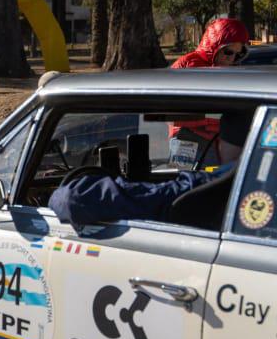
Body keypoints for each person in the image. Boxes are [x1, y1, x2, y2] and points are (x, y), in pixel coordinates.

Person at [49, 108, 252, 228]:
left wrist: (58, 195)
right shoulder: (258, 183)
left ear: (220, 144)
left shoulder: (212, 186)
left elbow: (74, 199)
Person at [168, 18, 251, 165]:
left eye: (238, 54)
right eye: (228, 52)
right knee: (189, 178)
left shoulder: (227, 70)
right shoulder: (189, 65)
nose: (232, 58)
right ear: (215, 46)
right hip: (187, 138)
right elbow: (174, 109)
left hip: (214, 138)